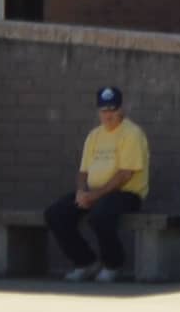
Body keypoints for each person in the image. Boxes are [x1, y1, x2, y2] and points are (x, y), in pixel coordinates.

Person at [49, 85, 152, 283]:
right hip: (95, 192)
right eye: (104, 110)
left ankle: (113, 265)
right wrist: (81, 192)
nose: (108, 114)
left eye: (112, 109)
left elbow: (125, 174)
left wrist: (94, 196)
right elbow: (83, 170)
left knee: (100, 217)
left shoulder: (132, 133)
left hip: (126, 193)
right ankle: (85, 262)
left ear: (121, 109)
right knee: (56, 213)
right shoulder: (94, 135)